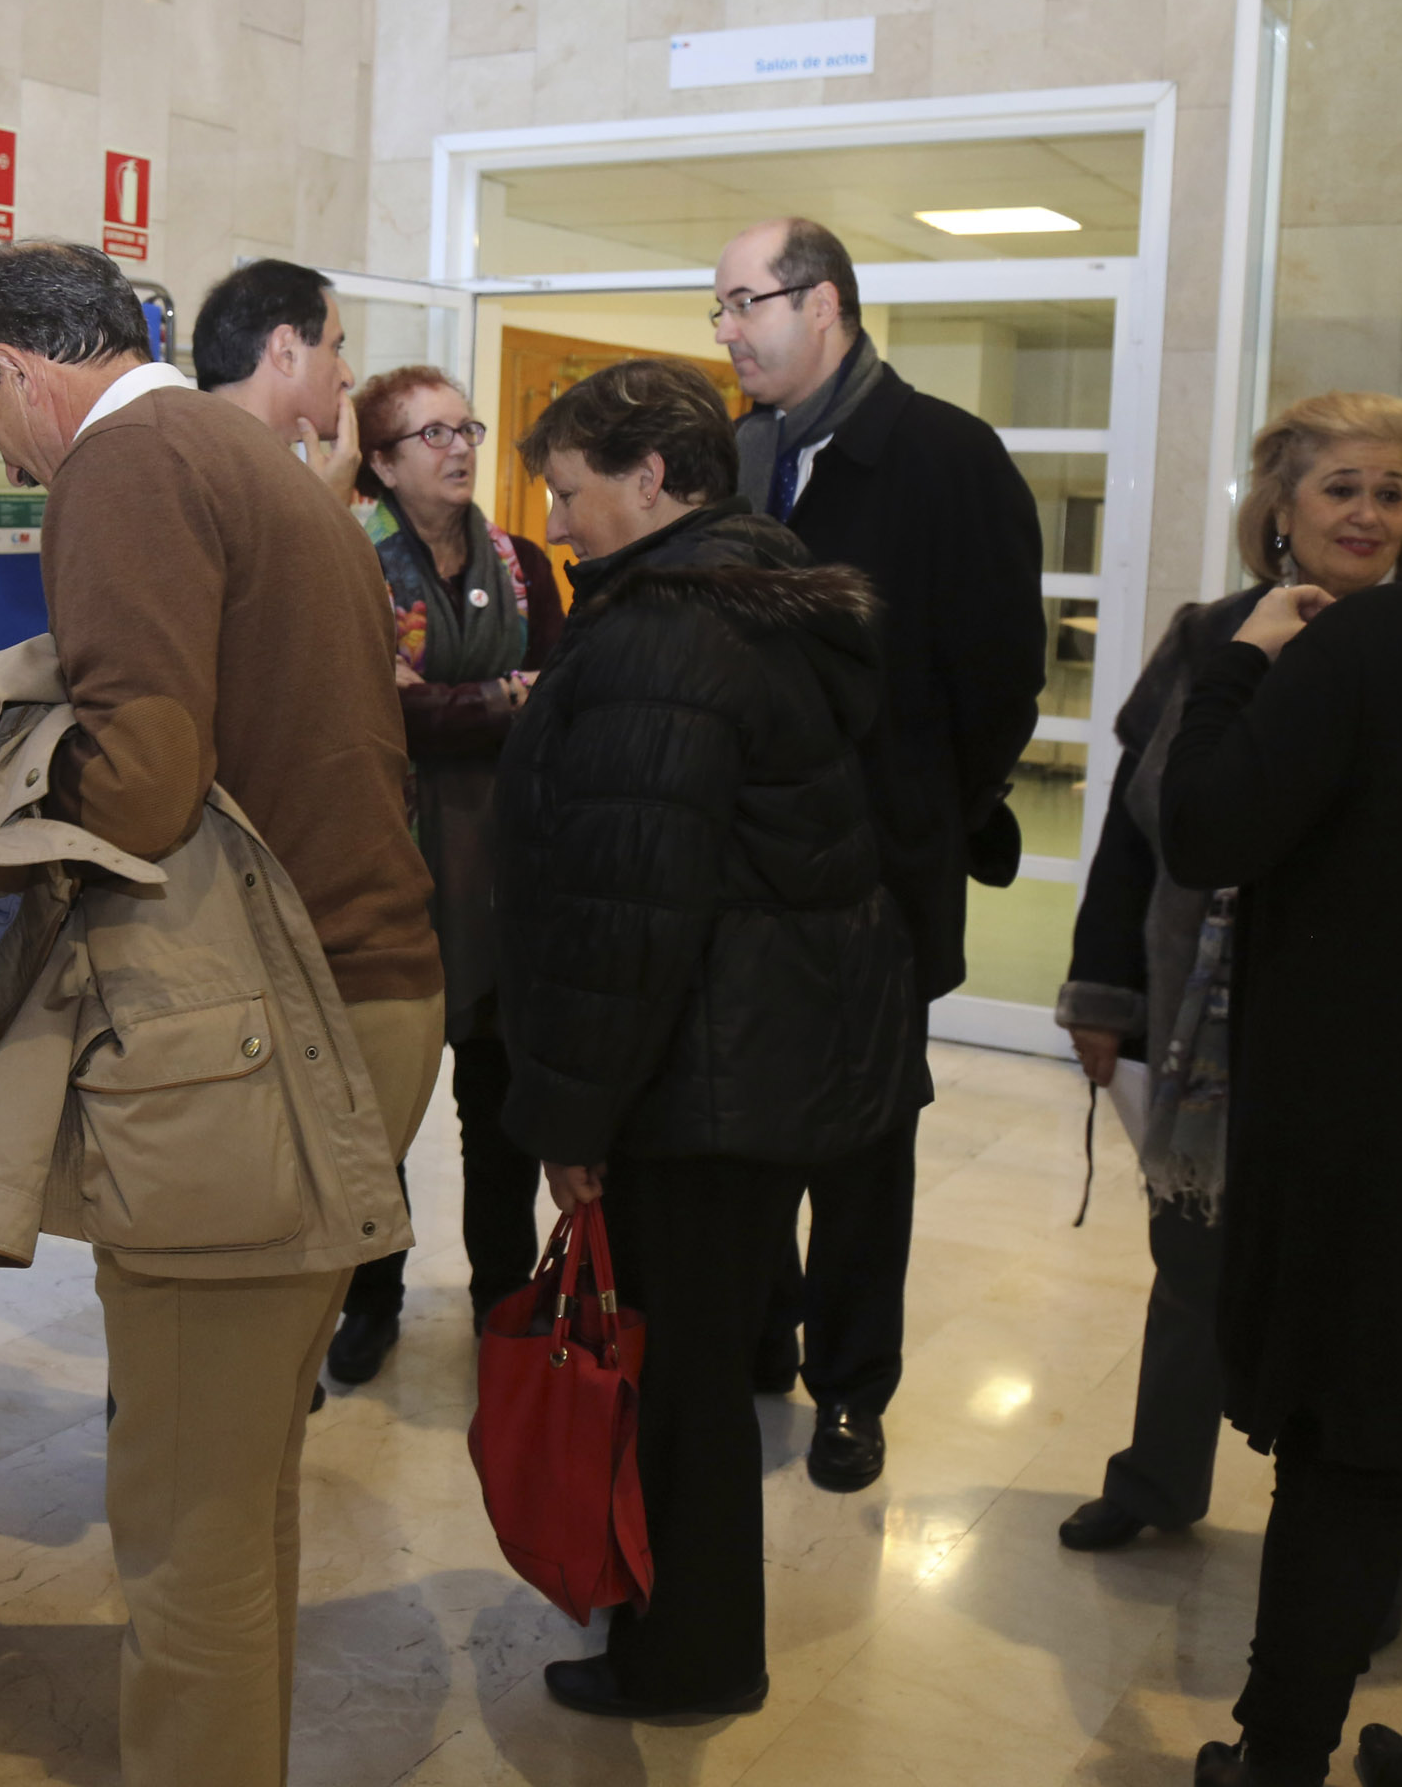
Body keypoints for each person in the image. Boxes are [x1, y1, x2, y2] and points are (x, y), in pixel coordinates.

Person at [0, 239, 442, 1785]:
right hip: (352, 1001)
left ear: (19, 372)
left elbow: (145, 777)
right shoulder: (247, 452)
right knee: (242, 1472)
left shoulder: (126, 464)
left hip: (266, 1030)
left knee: (185, 1521)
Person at [495, 357, 917, 1722]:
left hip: (700, 1079)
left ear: (655, 480)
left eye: (568, 493)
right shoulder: (758, 597)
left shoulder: (661, 641)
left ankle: (684, 1659)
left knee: (678, 1391)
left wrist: (568, 1125)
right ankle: (691, 1638)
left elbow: (628, 919)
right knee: (704, 1377)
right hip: (764, 1061)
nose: (552, 524)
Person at [1167, 364, 1402, 1787]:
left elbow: (1208, 826)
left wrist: (1235, 667)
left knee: (1350, 1456)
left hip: (1380, 1129)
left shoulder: (1379, 647)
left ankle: (1281, 1764)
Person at [1055, 393, 1402, 1555]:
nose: (1366, 514)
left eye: (1391, 492)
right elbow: (1133, 827)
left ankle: (1388, 1549)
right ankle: (1159, 1480)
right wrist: (1102, 994)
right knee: (1195, 1257)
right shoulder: (1211, 635)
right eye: (1341, 489)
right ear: (1281, 510)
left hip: (1363, 1024)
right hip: (1203, 1016)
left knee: (1367, 1294)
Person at [712, 216, 1047, 1492]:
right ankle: (764, 1334)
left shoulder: (946, 458)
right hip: (744, 875)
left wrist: (920, 818)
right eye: (724, 311)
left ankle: (855, 1390)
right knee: (745, 1119)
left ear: (827, 303)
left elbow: (999, 680)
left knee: (862, 1151)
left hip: (875, 882)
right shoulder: (737, 455)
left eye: (747, 303)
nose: (732, 332)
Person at [326, 365, 565, 1387]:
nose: (459, 447)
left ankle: (503, 1297)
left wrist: (465, 701)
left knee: (500, 1108)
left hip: (506, 872)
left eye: (465, 427)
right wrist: (498, 700)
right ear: (379, 463)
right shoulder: (353, 566)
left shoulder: (520, 564)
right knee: (379, 1110)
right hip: (396, 866)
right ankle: (370, 1297)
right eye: (429, 434)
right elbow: (379, 710)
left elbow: (558, 692)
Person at [191, 257, 361, 508]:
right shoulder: (208, 486)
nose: (348, 378)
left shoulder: (219, 464)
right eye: (335, 348)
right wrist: (329, 508)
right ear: (286, 353)